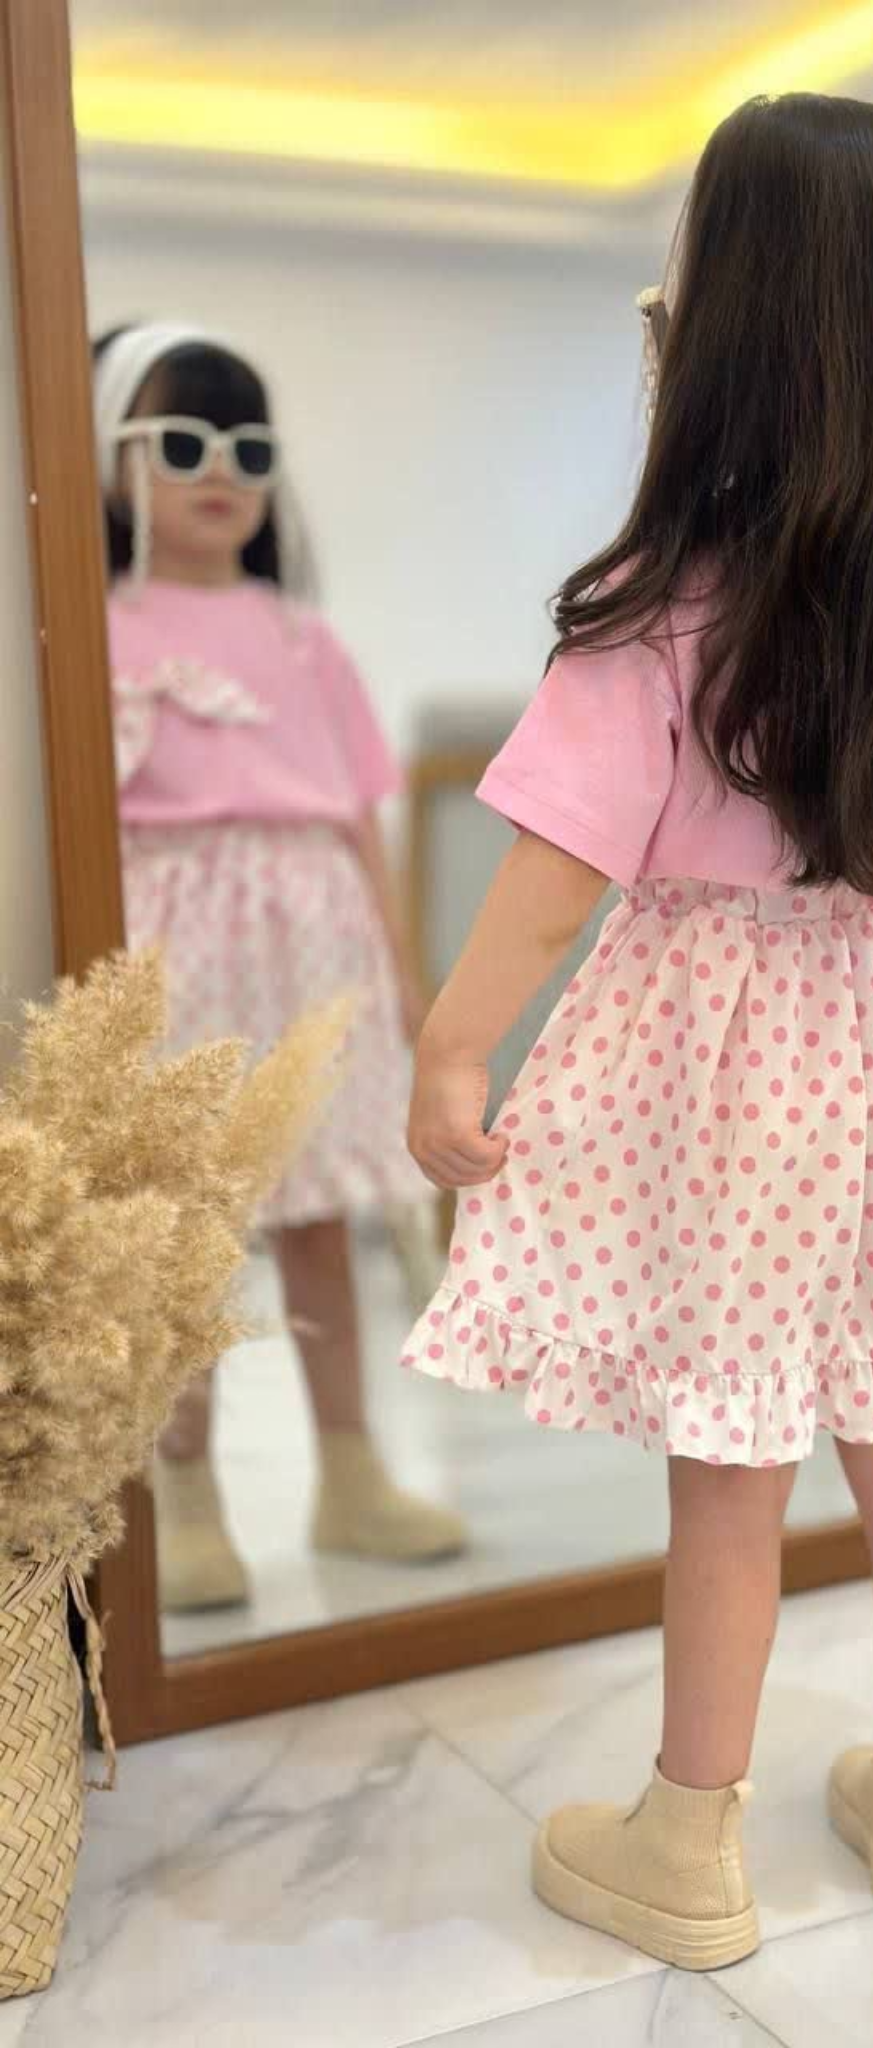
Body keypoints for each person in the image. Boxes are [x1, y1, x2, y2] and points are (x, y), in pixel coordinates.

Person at [403, 94, 873, 1970]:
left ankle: (689, 1837)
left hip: (733, 1074)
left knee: (732, 1464)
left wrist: (453, 1045)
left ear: (725, 342)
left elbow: (555, 873)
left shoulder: (665, 610)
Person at [95, 324, 467, 1612]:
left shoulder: (305, 641)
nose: (219, 470)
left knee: (320, 1220)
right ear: (113, 463)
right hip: (175, 948)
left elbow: (361, 818)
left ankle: (351, 1474)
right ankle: (186, 1493)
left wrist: (407, 982)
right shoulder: (98, 631)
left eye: (247, 449)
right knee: (188, 1231)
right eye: (181, 441)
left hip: (316, 943)